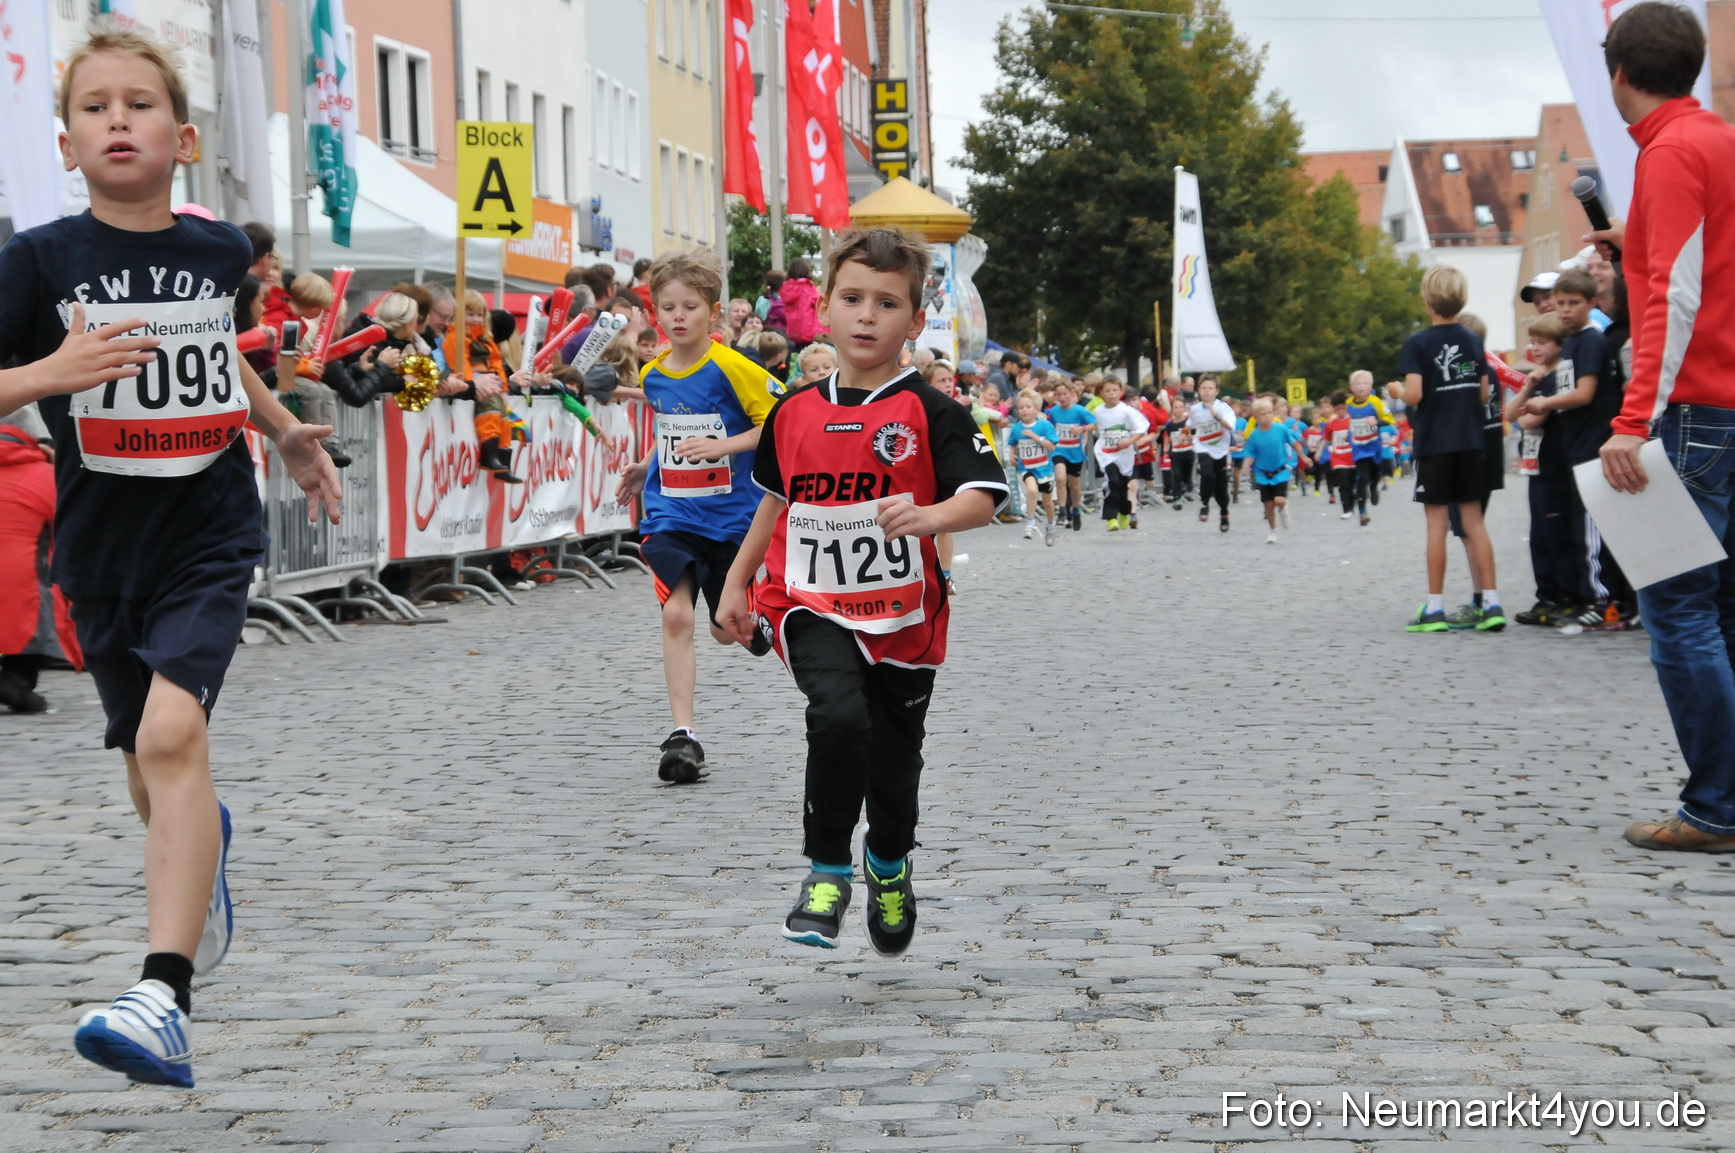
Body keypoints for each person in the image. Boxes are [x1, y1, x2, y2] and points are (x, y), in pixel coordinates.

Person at [0, 29, 341, 1088]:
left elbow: (208, 359)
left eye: (138, 104)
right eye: (94, 107)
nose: (116, 120)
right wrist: (48, 369)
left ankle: (162, 994)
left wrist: (279, 428)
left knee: (170, 730)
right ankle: (200, 849)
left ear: (182, 136)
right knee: (154, 763)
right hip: (99, 552)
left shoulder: (218, 254)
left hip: (207, 532)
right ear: (66, 143)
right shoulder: (36, 262)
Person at [714, 226, 1005, 953]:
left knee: (894, 762)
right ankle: (826, 871)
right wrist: (736, 581)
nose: (866, 316)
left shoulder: (932, 411)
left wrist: (930, 514)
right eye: (851, 298)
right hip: (808, 600)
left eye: (886, 303)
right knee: (837, 716)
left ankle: (889, 862)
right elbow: (775, 503)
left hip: (903, 615)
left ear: (914, 319)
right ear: (824, 308)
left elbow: (984, 494)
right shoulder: (793, 410)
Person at [1583, 3, 1735, 850]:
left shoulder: (1669, 153)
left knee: (1677, 610)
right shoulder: (1716, 138)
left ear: (1617, 73)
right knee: (1726, 612)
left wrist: (1630, 417)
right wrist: (1633, 234)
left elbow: (1674, 299)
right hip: (1731, 404)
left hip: (1693, 412)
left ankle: (1715, 807)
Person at [613, 248, 783, 783]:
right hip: (671, 513)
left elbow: (780, 428)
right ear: (654, 314)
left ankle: (751, 626)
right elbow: (670, 430)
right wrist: (646, 466)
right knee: (677, 615)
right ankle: (683, 737)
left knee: (722, 627)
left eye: (690, 306)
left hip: (733, 518)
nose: (678, 317)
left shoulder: (735, 368)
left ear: (713, 311)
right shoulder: (655, 373)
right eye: (668, 307)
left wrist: (724, 446)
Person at [1396, 265, 1498, 632]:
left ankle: (1435, 608)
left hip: (1435, 443)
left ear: (1427, 300)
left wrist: (1395, 391)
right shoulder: (1472, 340)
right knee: (1474, 522)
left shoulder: (1417, 344)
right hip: (1470, 441)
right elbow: (1484, 393)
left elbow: (1415, 394)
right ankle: (1491, 603)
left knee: (1436, 525)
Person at [1521, 269, 1616, 629]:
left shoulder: (1591, 340)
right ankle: (1585, 596)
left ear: (1592, 303)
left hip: (1593, 446)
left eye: (1572, 303)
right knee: (1578, 531)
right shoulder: (1572, 341)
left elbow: (1585, 393)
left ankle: (1601, 600)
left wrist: (1545, 404)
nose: (1563, 310)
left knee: (1590, 532)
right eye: (1560, 303)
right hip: (1573, 450)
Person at [441, 289, 521, 483]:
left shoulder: (486, 338)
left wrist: (502, 388)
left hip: (489, 380)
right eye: (470, 314)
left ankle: (502, 461)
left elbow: (496, 363)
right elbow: (461, 364)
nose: (476, 319)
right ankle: (489, 454)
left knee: (504, 419)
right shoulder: (456, 338)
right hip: (473, 381)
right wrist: (473, 385)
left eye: (480, 314)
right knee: (490, 413)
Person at [1244, 397, 1309, 543]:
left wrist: (1303, 457)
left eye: (1269, 413)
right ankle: (1272, 530)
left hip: (1280, 472)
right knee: (1268, 504)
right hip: (1263, 474)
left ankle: (1284, 509)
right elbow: (1251, 452)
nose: (1267, 416)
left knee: (1279, 500)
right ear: (1256, 417)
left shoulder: (1280, 429)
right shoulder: (1254, 435)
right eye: (1263, 414)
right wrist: (1247, 465)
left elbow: (1293, 443)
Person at [1091, 375, 1151, 531]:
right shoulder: (1098, 411)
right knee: (1113, 481)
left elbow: (1143, 427)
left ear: (1121, 392)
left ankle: (1125, 512)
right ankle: (1111, 518)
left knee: (1123, 486)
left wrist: (1128, 442)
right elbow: (1092, 425)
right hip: (1106, 453)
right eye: (1107, 391)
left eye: (1114, 390)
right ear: (1102, 393)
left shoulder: (1127, 411)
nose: (1111, 394)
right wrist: (1081, 429)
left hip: (1124, 454)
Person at [1008, 389, 1059, 544]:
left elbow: (1052, 447)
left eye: (1028, 406)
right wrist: (1012, 455)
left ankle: (1051, 526)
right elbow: (1012, 444)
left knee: (1048, 502)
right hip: (1026, 468)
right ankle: (1030, 522)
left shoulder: (1045, 426)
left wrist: (1035, 437)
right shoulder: (1016, 428)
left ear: (1037, 409)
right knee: (1031, 489)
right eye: (1021, 407)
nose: (1024, 410)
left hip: (1044, 469)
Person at [1344, 371, 1394, 526]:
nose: (1361, 387)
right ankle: (1362, 511)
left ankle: (1374, 488)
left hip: (1374, 447)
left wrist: (1377, 421)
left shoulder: (1376, 402)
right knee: (1362, 478)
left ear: (1370, 386)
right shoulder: (1349, 404)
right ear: (1352, 387)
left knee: (1373, 476)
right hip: (1359, 448)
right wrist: (1348, 432)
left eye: (1364, 383)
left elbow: (1390, 420)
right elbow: (1349, 421)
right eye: (1357, 384)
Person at [1188, 376, 1237, 532]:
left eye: (1210, 388)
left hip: (1221, 449)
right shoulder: (1195, 409)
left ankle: (1224, 512)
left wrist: (1215, 414)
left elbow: (1230, 426)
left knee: (1221, 484)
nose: (1207, 391)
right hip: (1203, 446)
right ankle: (1205, 504)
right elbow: (1191, 425)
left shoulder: (1223, 408)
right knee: (1207, 474)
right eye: (1203, 388)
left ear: (1216, 391)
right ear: (1198, 391)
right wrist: (1186, 433)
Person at [1046, 379, 1093, 530]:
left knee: (1074, 485)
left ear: (1071, 394)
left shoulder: (1079, 411)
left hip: (1075, 451)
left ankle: (1076, 509)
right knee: (1060, 478)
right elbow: (1050, 426)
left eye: (1064, 394)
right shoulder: (1054, 411)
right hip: (1059, 450)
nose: (1062, 397)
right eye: (1058, 394)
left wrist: (1082, 429)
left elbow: (1093, 423)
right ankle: (1062, 510)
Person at [1324, 391, 1356, 515]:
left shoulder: (1353, 420)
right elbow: (1326, 439)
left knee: (1353, 484)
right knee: (1343, 484)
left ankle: (1354, 502)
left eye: (1343, 408)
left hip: (1353, 457)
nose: (1340, 411)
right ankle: (1346, 509)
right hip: (1338, 458)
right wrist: (1319, 452)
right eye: (1337, 409)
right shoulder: (1331, 423)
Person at [1165, 396, 1195, 508]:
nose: (1178, 410)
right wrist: (1166, 447)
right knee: (1176, 475)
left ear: (1185, 408)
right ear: (1172, 409)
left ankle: (1186, 485)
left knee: (1186, 475)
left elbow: (1195, 436)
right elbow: (1167, 436)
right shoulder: (1170, 424)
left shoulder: (1189, 423)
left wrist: (1188, 436)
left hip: (1188, 452)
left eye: (1181, 407)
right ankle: (1177, 498)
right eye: (1176, 407)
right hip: (1175, 452)